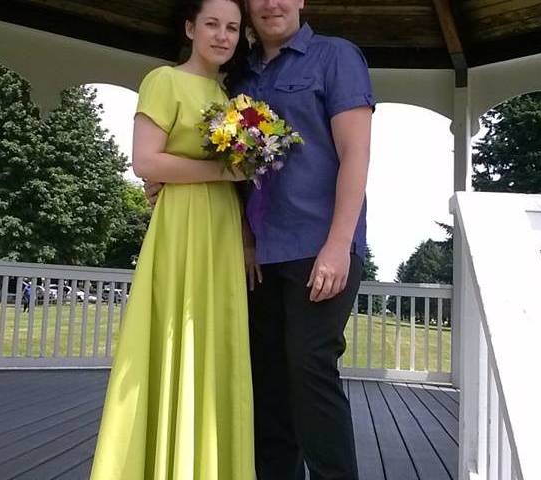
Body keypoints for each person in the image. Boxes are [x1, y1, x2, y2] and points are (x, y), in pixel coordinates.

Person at [145, 0, 375, 478]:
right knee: (267, 381)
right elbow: (226, 163)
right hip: (256, 255)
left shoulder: (336, 57)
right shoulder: (237, 78)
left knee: (309, 371)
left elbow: (356, 153)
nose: (272, 3)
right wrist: (164, 179)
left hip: (319, 246)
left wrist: (338, 245)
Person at [90, 0, 255, 479]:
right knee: (171, 335)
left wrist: (245, 232)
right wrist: (224, 171)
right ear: (190, 28)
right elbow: (146, 161)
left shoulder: (234, 101)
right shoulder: (163, 80)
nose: (222, 36)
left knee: (213, 337)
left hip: (222, 229)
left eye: (231, 28)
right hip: (181, 227)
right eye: (211, 25)